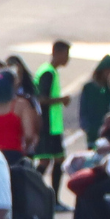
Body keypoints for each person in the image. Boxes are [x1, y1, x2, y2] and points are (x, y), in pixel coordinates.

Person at [32, 41, 72, 197]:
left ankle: (53, 198)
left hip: (53, 125)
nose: (67, 58)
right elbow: (41, 99)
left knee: (56, 159)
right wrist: (61, 100)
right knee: (47, 161)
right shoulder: (47, 72)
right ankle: (35, 191)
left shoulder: (52, 71)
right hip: (47, 125)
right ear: (56, 53)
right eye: (66, 54)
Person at [78, 55, 110, 144]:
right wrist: (86, 126)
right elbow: (83, 107)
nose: (109, 74)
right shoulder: (89, 88)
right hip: (92, 129)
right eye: (107, 71)